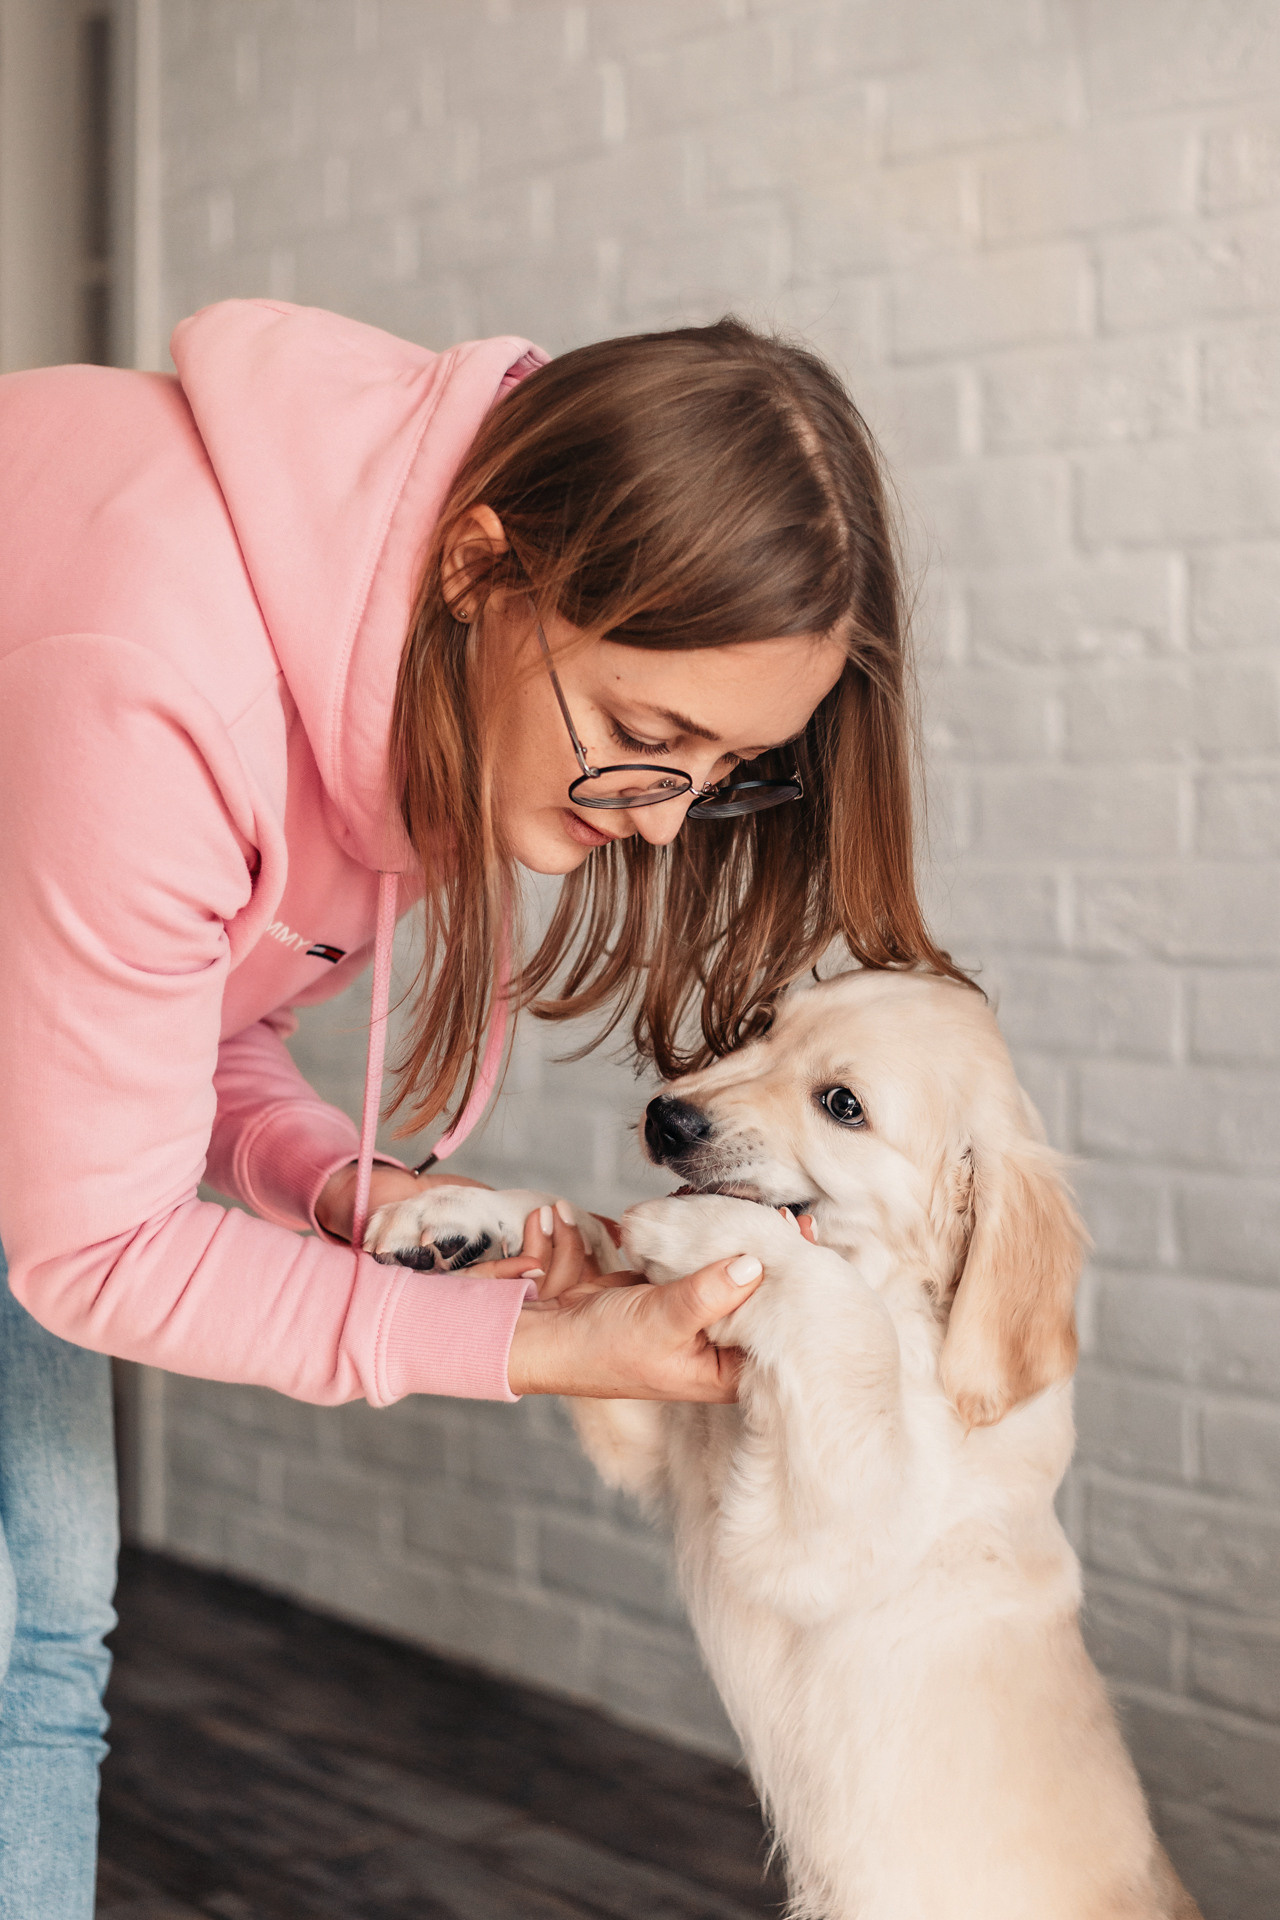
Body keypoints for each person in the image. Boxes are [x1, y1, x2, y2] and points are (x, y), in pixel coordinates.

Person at [0, 300, 960, 1912]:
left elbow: (170, 1023)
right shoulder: (161, 680)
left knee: (44, 1626)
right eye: (653, 740)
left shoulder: (413, 668)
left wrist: (345, 1192)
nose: (664, 830)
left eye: (723, 774)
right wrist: (538, 1348)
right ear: (484, 573)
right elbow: (91, 1242)